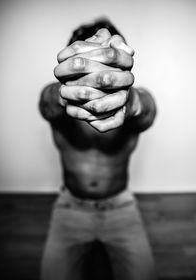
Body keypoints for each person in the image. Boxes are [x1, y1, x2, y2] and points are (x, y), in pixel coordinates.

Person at [39, 18, 157, 280]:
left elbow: (147, 110)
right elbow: (47, 102)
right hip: (70, 209)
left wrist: (132, 102)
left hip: (121, 208)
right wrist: (64, 93)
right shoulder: (56, 96)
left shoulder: (135, 98)